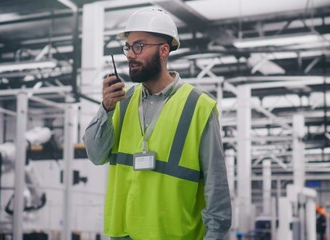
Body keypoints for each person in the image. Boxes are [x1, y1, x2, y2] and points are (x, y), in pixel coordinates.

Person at [83, 7, 232, 240]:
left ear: (164, 50)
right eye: (128, 47)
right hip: (124, 235)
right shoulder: (120, 102)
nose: (130, 54)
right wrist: (105, 109)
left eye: (139, 46)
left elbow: (217, 187)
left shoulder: (199, 106)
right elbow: (95, 155)